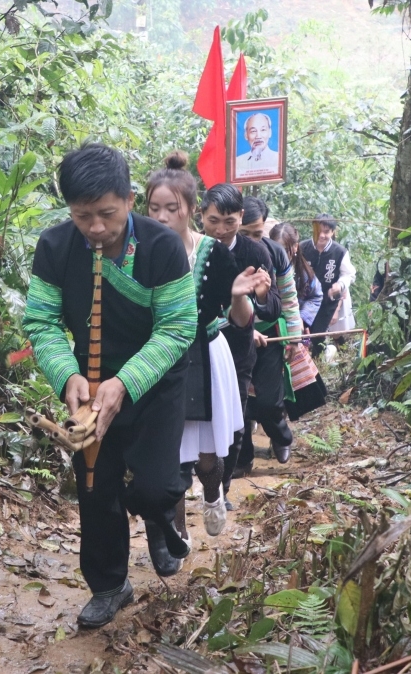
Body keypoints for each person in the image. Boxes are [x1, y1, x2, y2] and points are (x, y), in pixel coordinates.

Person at [22, 143, 197, 628]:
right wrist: (68, 375)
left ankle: (160, 517)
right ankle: (109, 584)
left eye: (107, 214)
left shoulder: (162, 247)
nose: (96, 228)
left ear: (130, 198)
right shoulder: (55, 247)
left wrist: (125, 383)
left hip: (154, 378)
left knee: (156, 484)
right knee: (96, 487)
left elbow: (178, 329)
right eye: (83, 216)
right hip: (88, 384)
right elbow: (41, 322)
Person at [143, 152, 270, 573]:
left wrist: (238, 295)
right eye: (153, 208)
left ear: (189, 210)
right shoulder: (137, 251)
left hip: (206, 355)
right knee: (170, 454)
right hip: (159, 360)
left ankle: (213, 494)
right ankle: (175, 537)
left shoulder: (214, 253)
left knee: (207, 457)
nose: (161, 217)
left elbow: (241, 320)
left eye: (171, 208)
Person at [198, 185, 280, 511]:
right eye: (213, 220)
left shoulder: (256, 253)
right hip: (198, 345)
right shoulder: (192, 249)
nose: (220, 230)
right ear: (200, 215)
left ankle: (222, 485)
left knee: (235, 419)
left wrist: (260, 294)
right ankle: (200, 477)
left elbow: (272, 308)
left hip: (238, 348)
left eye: (229, 222)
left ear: (241, 218)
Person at [236, 197, 300, 467]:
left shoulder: (275, 252)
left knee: (269, 401)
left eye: (257, 233)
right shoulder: (222, 251)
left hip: (270, 336)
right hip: (234, 336)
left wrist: (294, 337)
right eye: (244, 233)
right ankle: (241, 457)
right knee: (237, 403)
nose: (251, 240)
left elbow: (287, 296)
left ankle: (281, 436)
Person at [269, 223, 328, 420]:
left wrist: (301, 319)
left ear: (294, 248)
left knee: (292, 380)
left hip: (292, 333)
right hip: (269, 331)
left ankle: (281, 427)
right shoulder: (264, 264)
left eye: (283, 249)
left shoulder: (303, 272)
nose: (279, 253)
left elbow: (315, 296)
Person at [300, 214, 356, 356]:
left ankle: (317, 363)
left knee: (318, 334)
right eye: (318, 231)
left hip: (327, 300)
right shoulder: (302, 248)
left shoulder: (339, 252)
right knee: (303, 330)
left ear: (333, 232)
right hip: (307, 299)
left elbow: (349, 274)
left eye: (326, 232)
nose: (322, 235)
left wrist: (340, 284)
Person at [234, 113, 281, 179]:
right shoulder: (238, 161)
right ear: (246, 135)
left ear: (270, 133)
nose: (258, 136)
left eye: (263, 130)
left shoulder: (278, 159)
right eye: (253, 131)